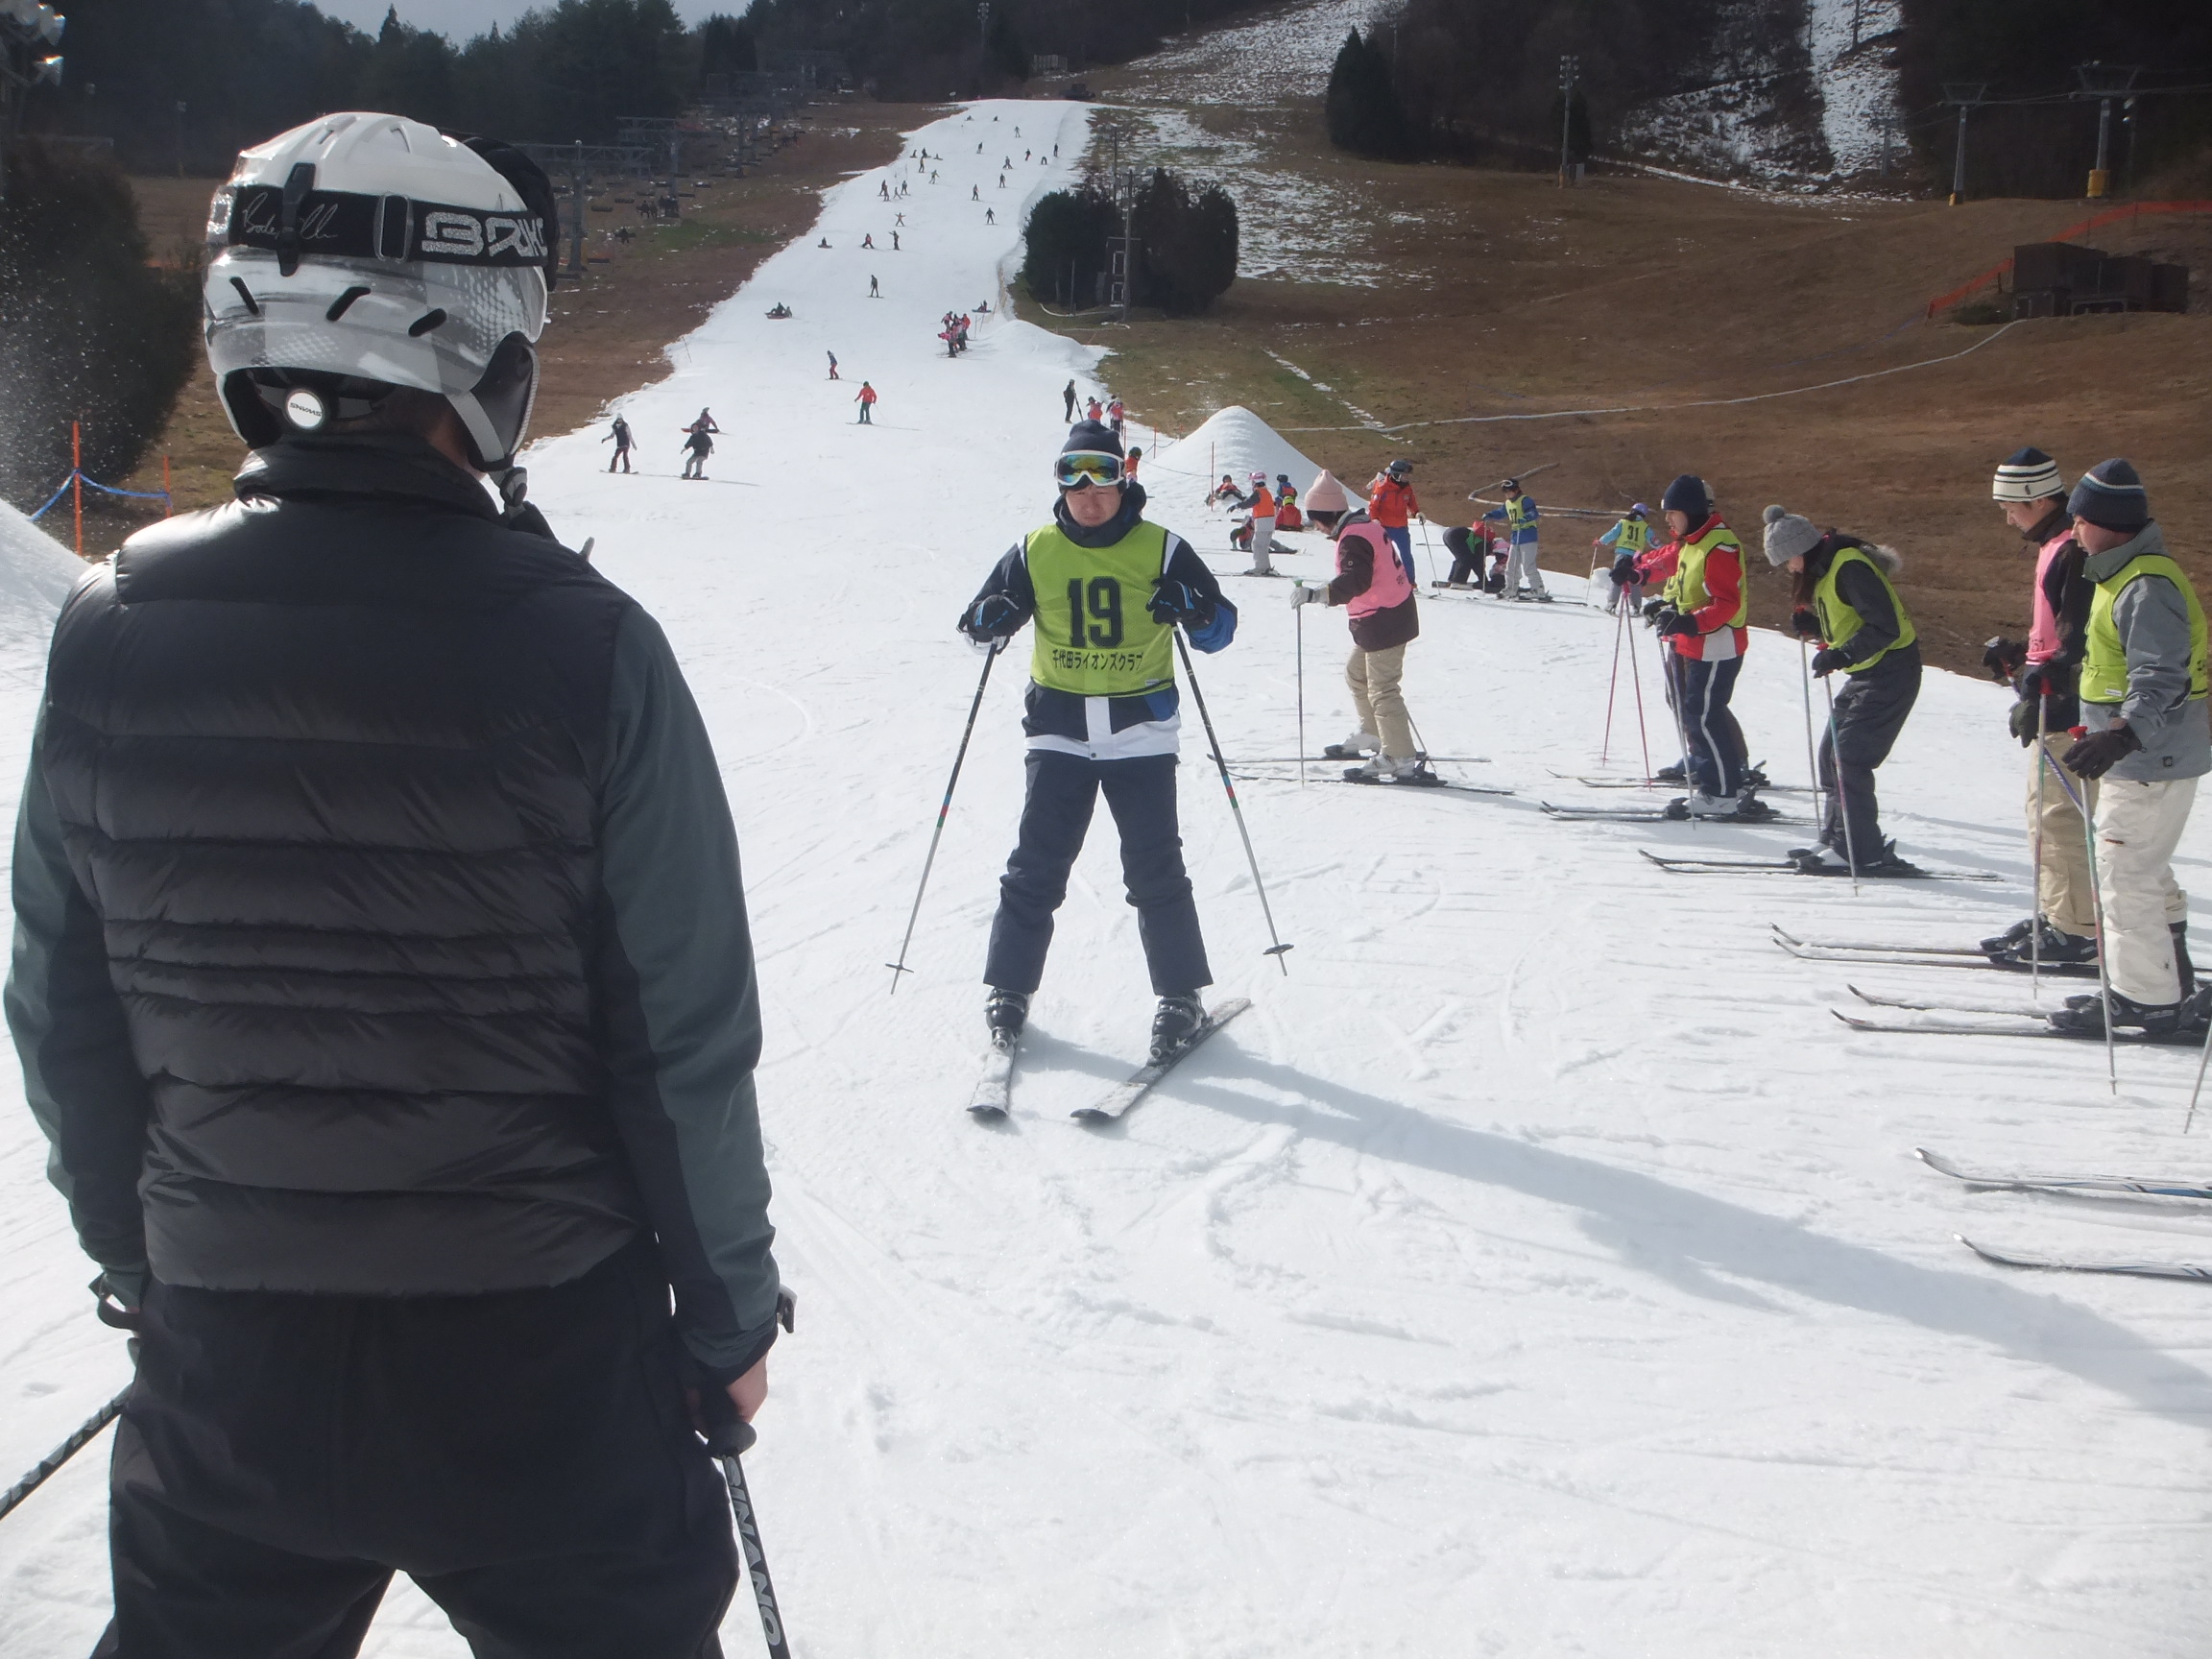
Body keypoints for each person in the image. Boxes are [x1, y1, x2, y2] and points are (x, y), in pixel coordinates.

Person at [7, 111, 778, 1657]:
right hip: (541, 1360)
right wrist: (727, 1317)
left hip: (235, 1359)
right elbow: (679, 1030)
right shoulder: (590, 644)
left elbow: (61, 1000)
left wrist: (142, 1261)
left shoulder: (110, 626)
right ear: (479, 337)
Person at [954, 421, 1238, 1059]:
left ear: (1122, 479)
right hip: (1058, 732)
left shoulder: (1162, 549)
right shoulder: (1035, 550)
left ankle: (1180, 994)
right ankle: (1008, 987)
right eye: (1072, 476)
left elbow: (1221, 632)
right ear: (1059, 483)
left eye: (1102, 475)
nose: (1088, 492)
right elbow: (975, 633)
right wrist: (988, 620)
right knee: (1035, 867)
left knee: (1154, 867)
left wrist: (1193, 607)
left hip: (1141, 734)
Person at [2045, 461, 2208, 1035]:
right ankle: (2170, 982)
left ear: (2105, 524)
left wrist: (2125, 735)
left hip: (2149, 757)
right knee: (2143, 869)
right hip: (2143, 753)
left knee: (2123, 874)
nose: (2074, 529)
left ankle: (2145, 999)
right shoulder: (2122, 575)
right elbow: (2110, 665)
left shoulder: (2143, 584)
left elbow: (2163, 677)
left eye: (2080, 519)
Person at [1980, 447, 2098, 967]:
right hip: (2058, 694)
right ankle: (2059, 913)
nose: (2006, 515)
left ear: (2037, 497)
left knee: (2058, 816)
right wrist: (2022, 655)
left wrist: (2041, 676)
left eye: (2011, 503)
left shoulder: (2072, 549)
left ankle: (2076, 929)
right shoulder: (2056, 543)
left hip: (2070, 706)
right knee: (2043, 812)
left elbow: (2080, 637)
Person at [1763, 507, 1921, 872]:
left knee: (1850, 756)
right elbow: (1849, 620)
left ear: (1802, 548)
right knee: (1831, 752)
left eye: (1788, 560)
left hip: (1891, 671)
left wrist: (1840, 655)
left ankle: (1859, 850)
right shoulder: (1827, 569)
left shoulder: (1848, 567)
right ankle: (1837, 838)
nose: (1788, 568)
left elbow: (1885, 626)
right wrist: (1817, 627)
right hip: (1867, 672)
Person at [1647, 473, 1767, 819]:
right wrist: (1649, 584)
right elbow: (1678, 574)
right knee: (1692, 711)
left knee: (1703, 714)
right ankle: (1711, 774)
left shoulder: (1719, 545)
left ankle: (1723, 790)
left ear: (1692, 510)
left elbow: (1726, 603)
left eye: (1673, 512)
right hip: (1696, 643)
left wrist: (1689, 621)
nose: (1668, 518)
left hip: (1717, 644)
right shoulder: (1695, 540)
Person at [1293, 506, 1436, 785]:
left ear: (1325, 518)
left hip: (1385, 619)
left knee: (1383, 688)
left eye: (1317, 522)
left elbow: (1356, 581)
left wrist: (1317, 594)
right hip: (1383, 618)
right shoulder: (1364, 526)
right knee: (1357, 674)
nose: (1318, 528)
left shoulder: (1354, 537)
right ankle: (1374, 732)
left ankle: (1399, 757)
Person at [1482, 478, 1548, 601]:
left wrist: (1526, 518)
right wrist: (1490, 515)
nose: (1508, 494)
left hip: (1528, 536)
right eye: (1506, 492)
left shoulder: (1525, 500)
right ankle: (1511, 588)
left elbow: (1534, 513)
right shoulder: (1508, 503)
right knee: (1511, 565)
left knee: (1528, 565)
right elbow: (1501, 513)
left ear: (1516, 490)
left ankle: (1538, 589)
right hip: (1515, 537)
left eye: (1510, 491)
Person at [1366, 460, 1418, 585]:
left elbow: (1411, 501)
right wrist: (1375, 519)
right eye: (1404, 476)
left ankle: (1410, 582)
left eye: (1407, 476)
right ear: (1396, 474)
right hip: (1384, 527)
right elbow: (1373, 506)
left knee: (1406, 555)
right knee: (1382, 555)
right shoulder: (1383, 487)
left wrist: (1416, 512)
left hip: (1401, 527)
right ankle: (1379, 580)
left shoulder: (1406, 488)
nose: (1406, 478)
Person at [1594, 503, 1651, 614]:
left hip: (1622, 553)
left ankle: (1611, 604)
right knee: (1635, 579)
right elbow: (1654, 541)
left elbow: (1612, 534)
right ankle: (1636, 607)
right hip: (1636, 556)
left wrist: (1600, 541)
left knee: (1618, 578)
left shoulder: (1623, 522)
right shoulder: (1645, 527)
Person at [1242, 471, 1279, 576]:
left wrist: (1237, 506)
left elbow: (1249, 502)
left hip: (1262, 521)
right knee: (1263, 546)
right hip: (1270, 521)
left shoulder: (1258, 492)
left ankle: (1260, 568)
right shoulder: (1266, 492)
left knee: (1257, 545)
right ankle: (1265, 567)